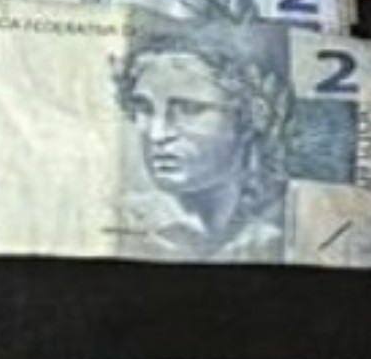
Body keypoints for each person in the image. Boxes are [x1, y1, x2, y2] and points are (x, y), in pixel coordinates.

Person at [112, 27, 290, 258]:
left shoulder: (278, 233)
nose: (157, 135)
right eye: (144, 108)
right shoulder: (110, 222)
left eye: (189, 109)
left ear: (250, 117)